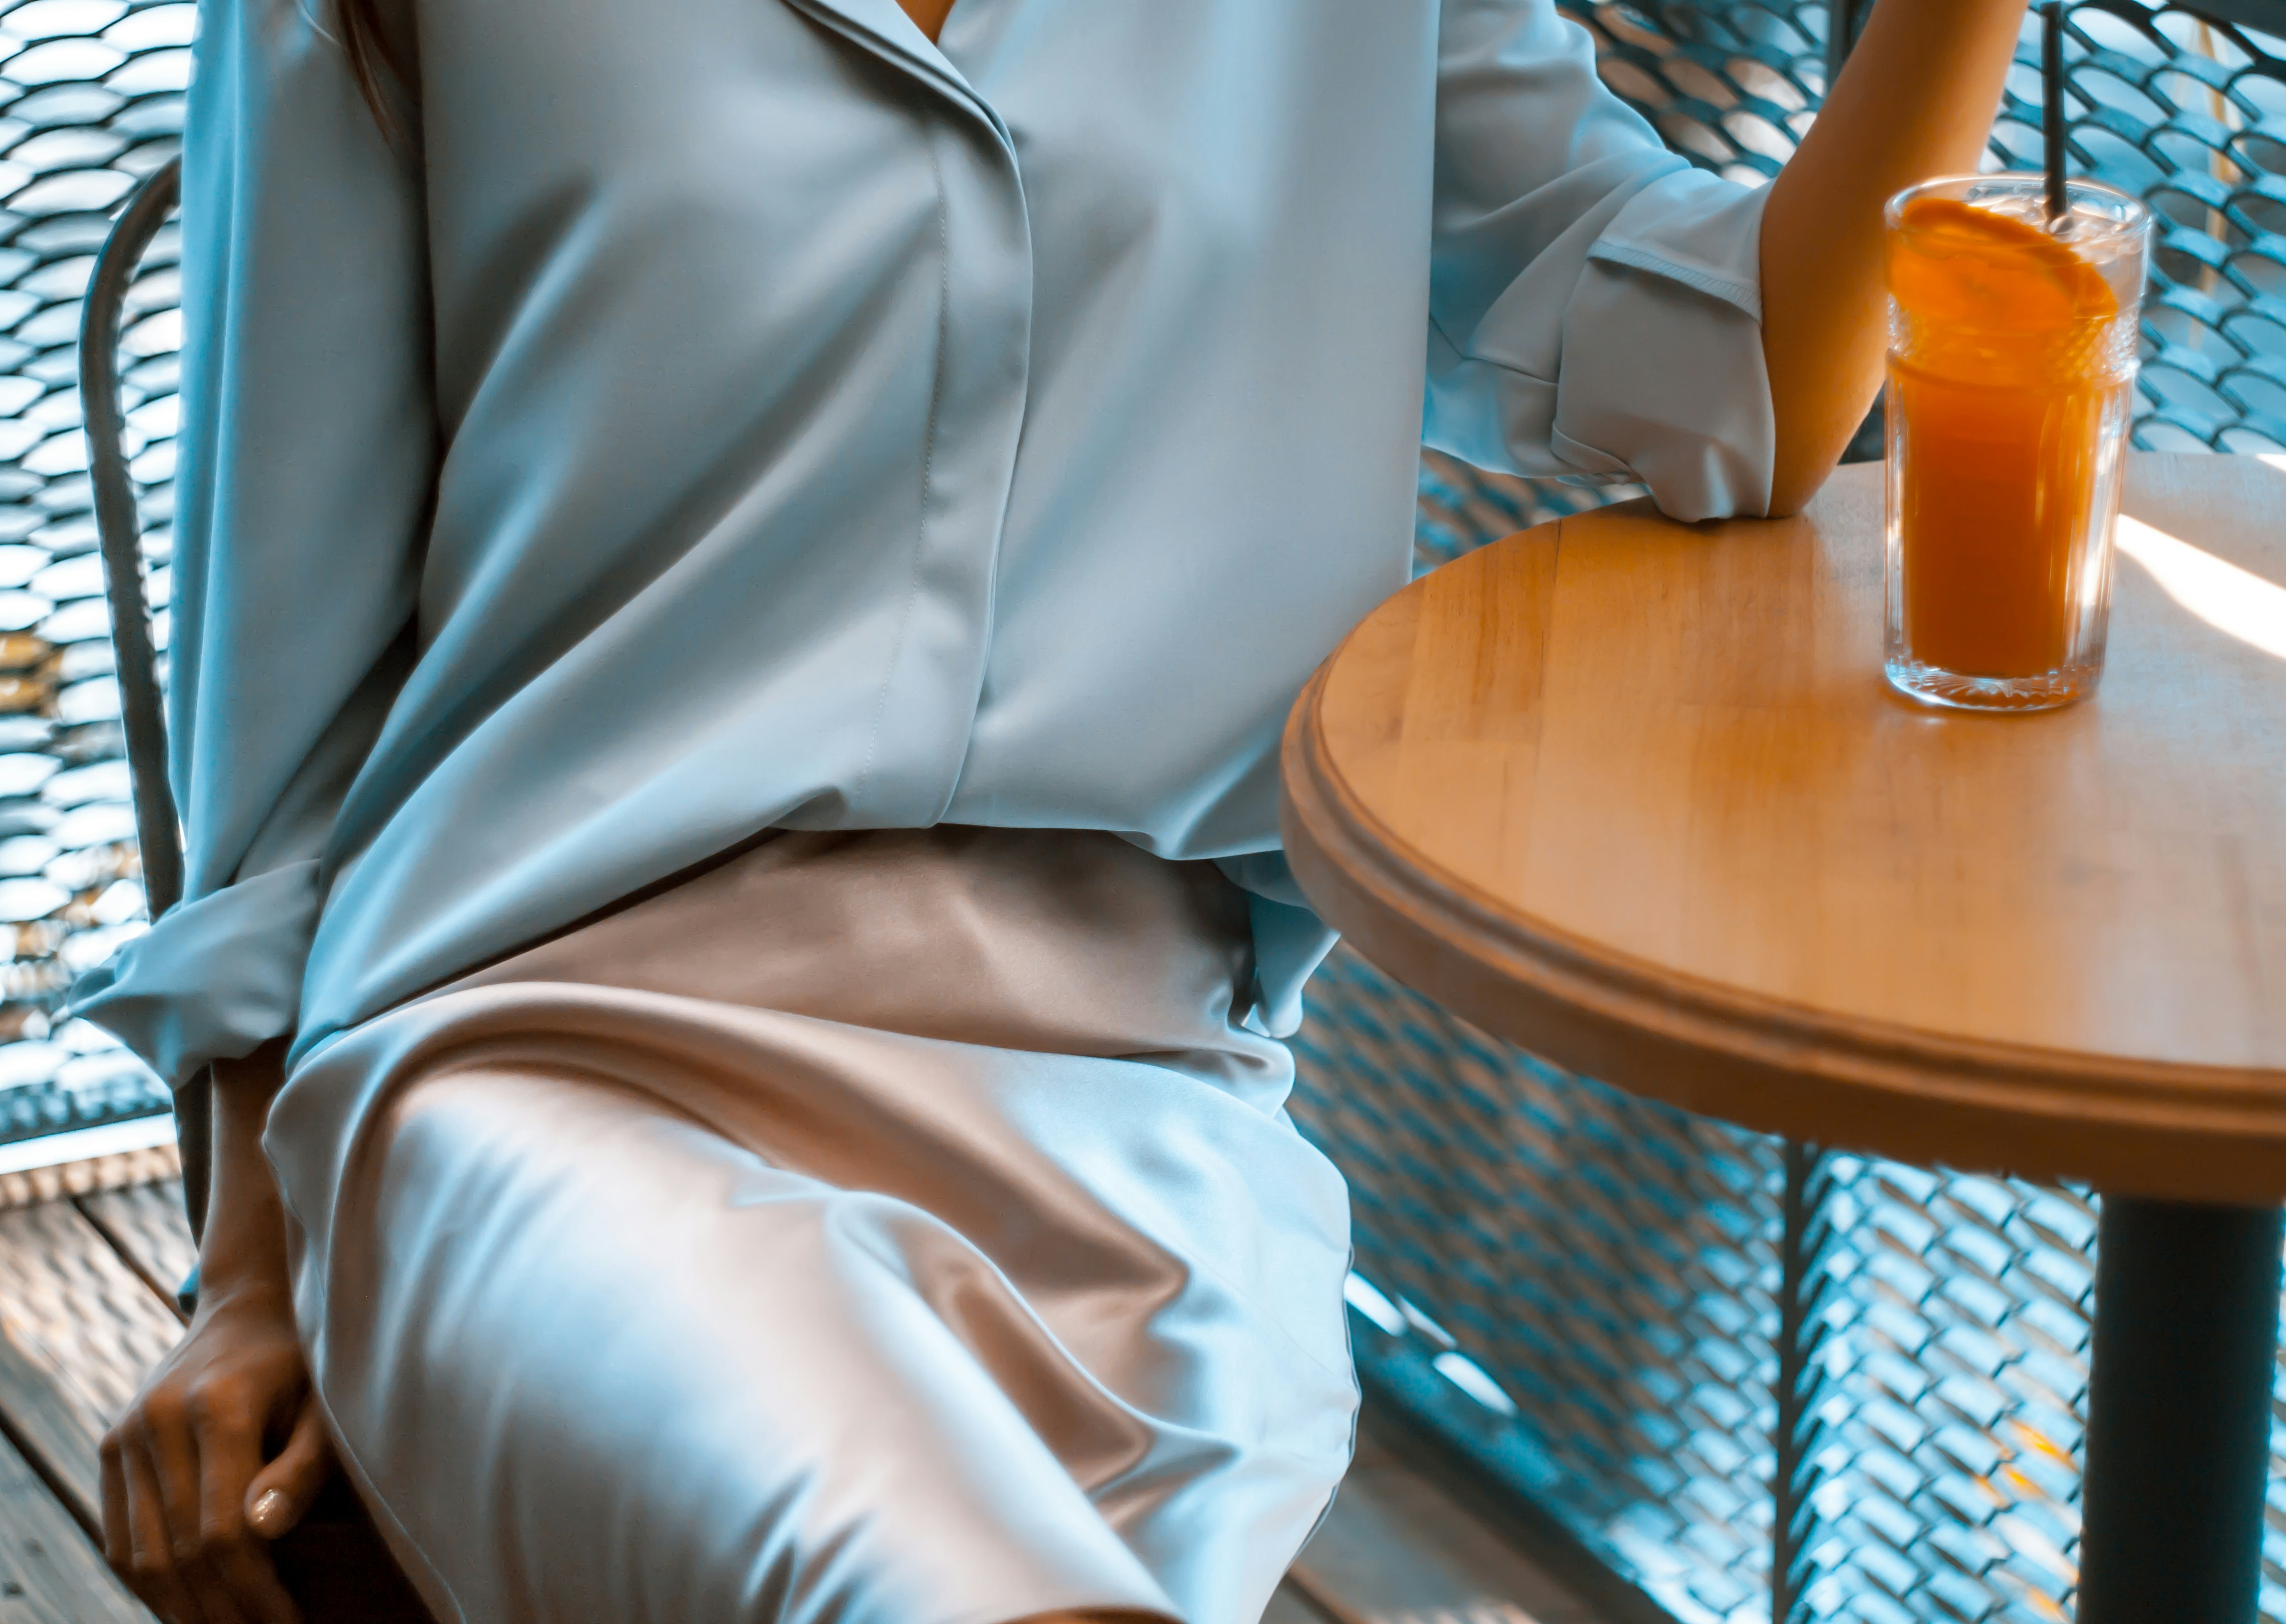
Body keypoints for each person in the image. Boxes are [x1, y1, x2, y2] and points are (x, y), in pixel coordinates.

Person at [73, 0, 2034, 1618]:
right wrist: (246, 1271)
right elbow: (286, 696)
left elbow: (1744, 377)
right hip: (540, 1050)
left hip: (1139, 1129)